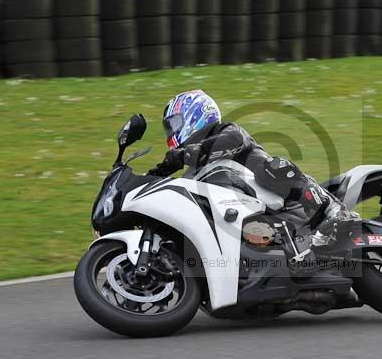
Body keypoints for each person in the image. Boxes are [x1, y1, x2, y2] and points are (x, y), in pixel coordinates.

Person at [147, 89, 358, 247]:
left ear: (195, 114)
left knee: (274, 167)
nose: (170, 133)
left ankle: (335, 211)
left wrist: (183, 155)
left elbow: (225, 143)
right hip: (251, 214)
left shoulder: (227, 131)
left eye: (173, 124)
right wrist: (157, 174)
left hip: (278, 195)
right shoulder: (194, 170)